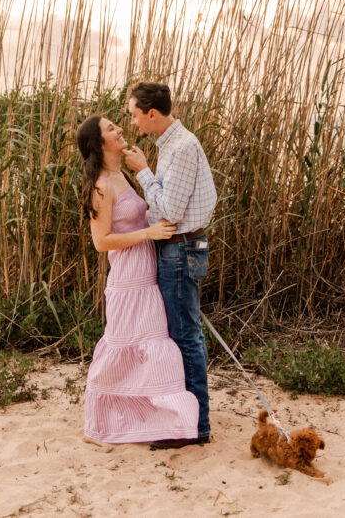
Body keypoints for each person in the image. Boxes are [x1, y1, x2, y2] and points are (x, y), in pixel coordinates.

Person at [77, 114, 200, 444]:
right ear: (99, 144)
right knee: (124, 349)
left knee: (151, 348)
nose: (120, 130)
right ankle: (104, 422)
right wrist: (149, 231)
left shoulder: (121, 176)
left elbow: (137, 217)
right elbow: (101, 241)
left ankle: (154, 419)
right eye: (111, 129)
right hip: (128, 281)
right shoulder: (101, 186)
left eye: (117, 125)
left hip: (146, 276)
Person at [124, 82, 217, 449]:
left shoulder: (180, 147)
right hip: (179, 247)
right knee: (184, 333)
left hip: (181, 249)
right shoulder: (171, 145)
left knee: (184, 337)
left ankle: (195, 427)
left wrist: (144, 173)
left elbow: (172, 212)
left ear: (151, 113)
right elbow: (164, 206)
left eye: (134, 115)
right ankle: (190, 419)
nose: (132, 122)